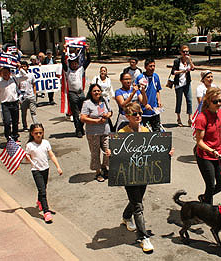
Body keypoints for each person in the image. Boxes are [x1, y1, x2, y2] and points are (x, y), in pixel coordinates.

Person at [118, 102, 174, 253]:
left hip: (143, 173)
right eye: (134, 114)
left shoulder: (145, 130)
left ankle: (125, 216)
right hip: (129, 175)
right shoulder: (122, 132)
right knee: (138, 206)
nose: (138, 116)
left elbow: (154, 150)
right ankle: (143, 238)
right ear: (127, 116)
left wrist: (166, 152)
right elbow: (117, 153)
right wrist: (112, 154)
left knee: (137, 200)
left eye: (139, 113)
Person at [194, 87, 221, 204]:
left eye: (220, 101)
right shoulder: (202, 118)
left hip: (219, 154)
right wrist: (212, 150)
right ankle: (208, 211)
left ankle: (204, 198)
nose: (219, 104)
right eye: (215, 102)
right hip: (205, 156)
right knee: (210, 185)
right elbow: (199, 142)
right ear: (208, 102)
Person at [25, 123, 63, 223]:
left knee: (43, 187)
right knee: (42, 191)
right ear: (32, 134)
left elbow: (51, 155)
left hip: (45, 168)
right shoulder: (29, 145)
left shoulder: (46, 143)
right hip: (36, 170)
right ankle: (46, 212)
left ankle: (40, 201)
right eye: (36, 133)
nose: (38, 135)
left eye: (40, 133)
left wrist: (58, 167)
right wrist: (27, 158)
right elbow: (27, 160)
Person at [80, 84, 113, 182]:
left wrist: (108, 115)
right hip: (93, 133)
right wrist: (96, 121)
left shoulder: (104, 100)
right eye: (94, 91)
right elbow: (82, 118)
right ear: (91, 92)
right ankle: (98, 172)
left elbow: (111, 112)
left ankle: (104, 167)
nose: (97, 92)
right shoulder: (87, 103)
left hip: (106, 131)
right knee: (95, 153)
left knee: (108, 150)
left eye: (98, 90)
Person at [61, 47, 91, 138]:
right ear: (70, 64)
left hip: (80, 93)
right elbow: (63, 61)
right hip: (72, 93)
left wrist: (87, 50)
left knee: (83, 112)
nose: (74, 65)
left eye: (76, 63)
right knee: (75, 113)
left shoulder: (81, 69)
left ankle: (81, 127)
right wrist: (64, 50)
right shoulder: (68, 70)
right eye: (72, 63)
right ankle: (78, 130)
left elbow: (88, 60)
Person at [0, 66, 28, 142]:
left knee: (15, 121)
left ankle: (15, 136)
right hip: (5, 104)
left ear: (10, 73)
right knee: (7, 122)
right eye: (3, 73)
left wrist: (20, 69)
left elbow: (26, 77)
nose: (5, 74)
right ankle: (8, 137)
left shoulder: (14, 79)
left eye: (6, 72)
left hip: (15, 103)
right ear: (1, 74)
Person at [135, 58, 162, 132]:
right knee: (145, 131)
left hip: (154, 110)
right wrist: (145, 104)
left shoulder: (156, 76)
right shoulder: (141, 78)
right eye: (150, 66)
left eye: (154, 66)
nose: (152, 68)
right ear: (145, 67)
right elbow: (138, 92)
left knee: (157, 130)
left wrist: (159, 100)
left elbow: (157, 90)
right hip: (144, 111)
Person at [171, 45, 195, 127]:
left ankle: (190, 118)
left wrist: (190, 61)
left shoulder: (188, 60)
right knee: (179, 101)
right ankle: (179, 118)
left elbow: (193, 68)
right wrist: (182, 71)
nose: (185, 53)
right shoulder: (177, 61)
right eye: (184, 51)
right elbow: (173, 72)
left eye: (187, 52)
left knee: (189, 100)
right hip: (179, 84)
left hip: (187, 83)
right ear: (181, 52)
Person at [18, 61, 38, 130]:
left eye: (25, 66)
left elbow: (34, 85)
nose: (23, 68)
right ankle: (25, 126)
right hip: (23, 97)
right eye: (22, 66)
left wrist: (34, 94)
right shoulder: (19, 77)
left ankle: (36, 125)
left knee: (33, 112)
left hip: (31, 96)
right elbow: (18, 86)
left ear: (27, 67)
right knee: (23, 113)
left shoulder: (31, 75)